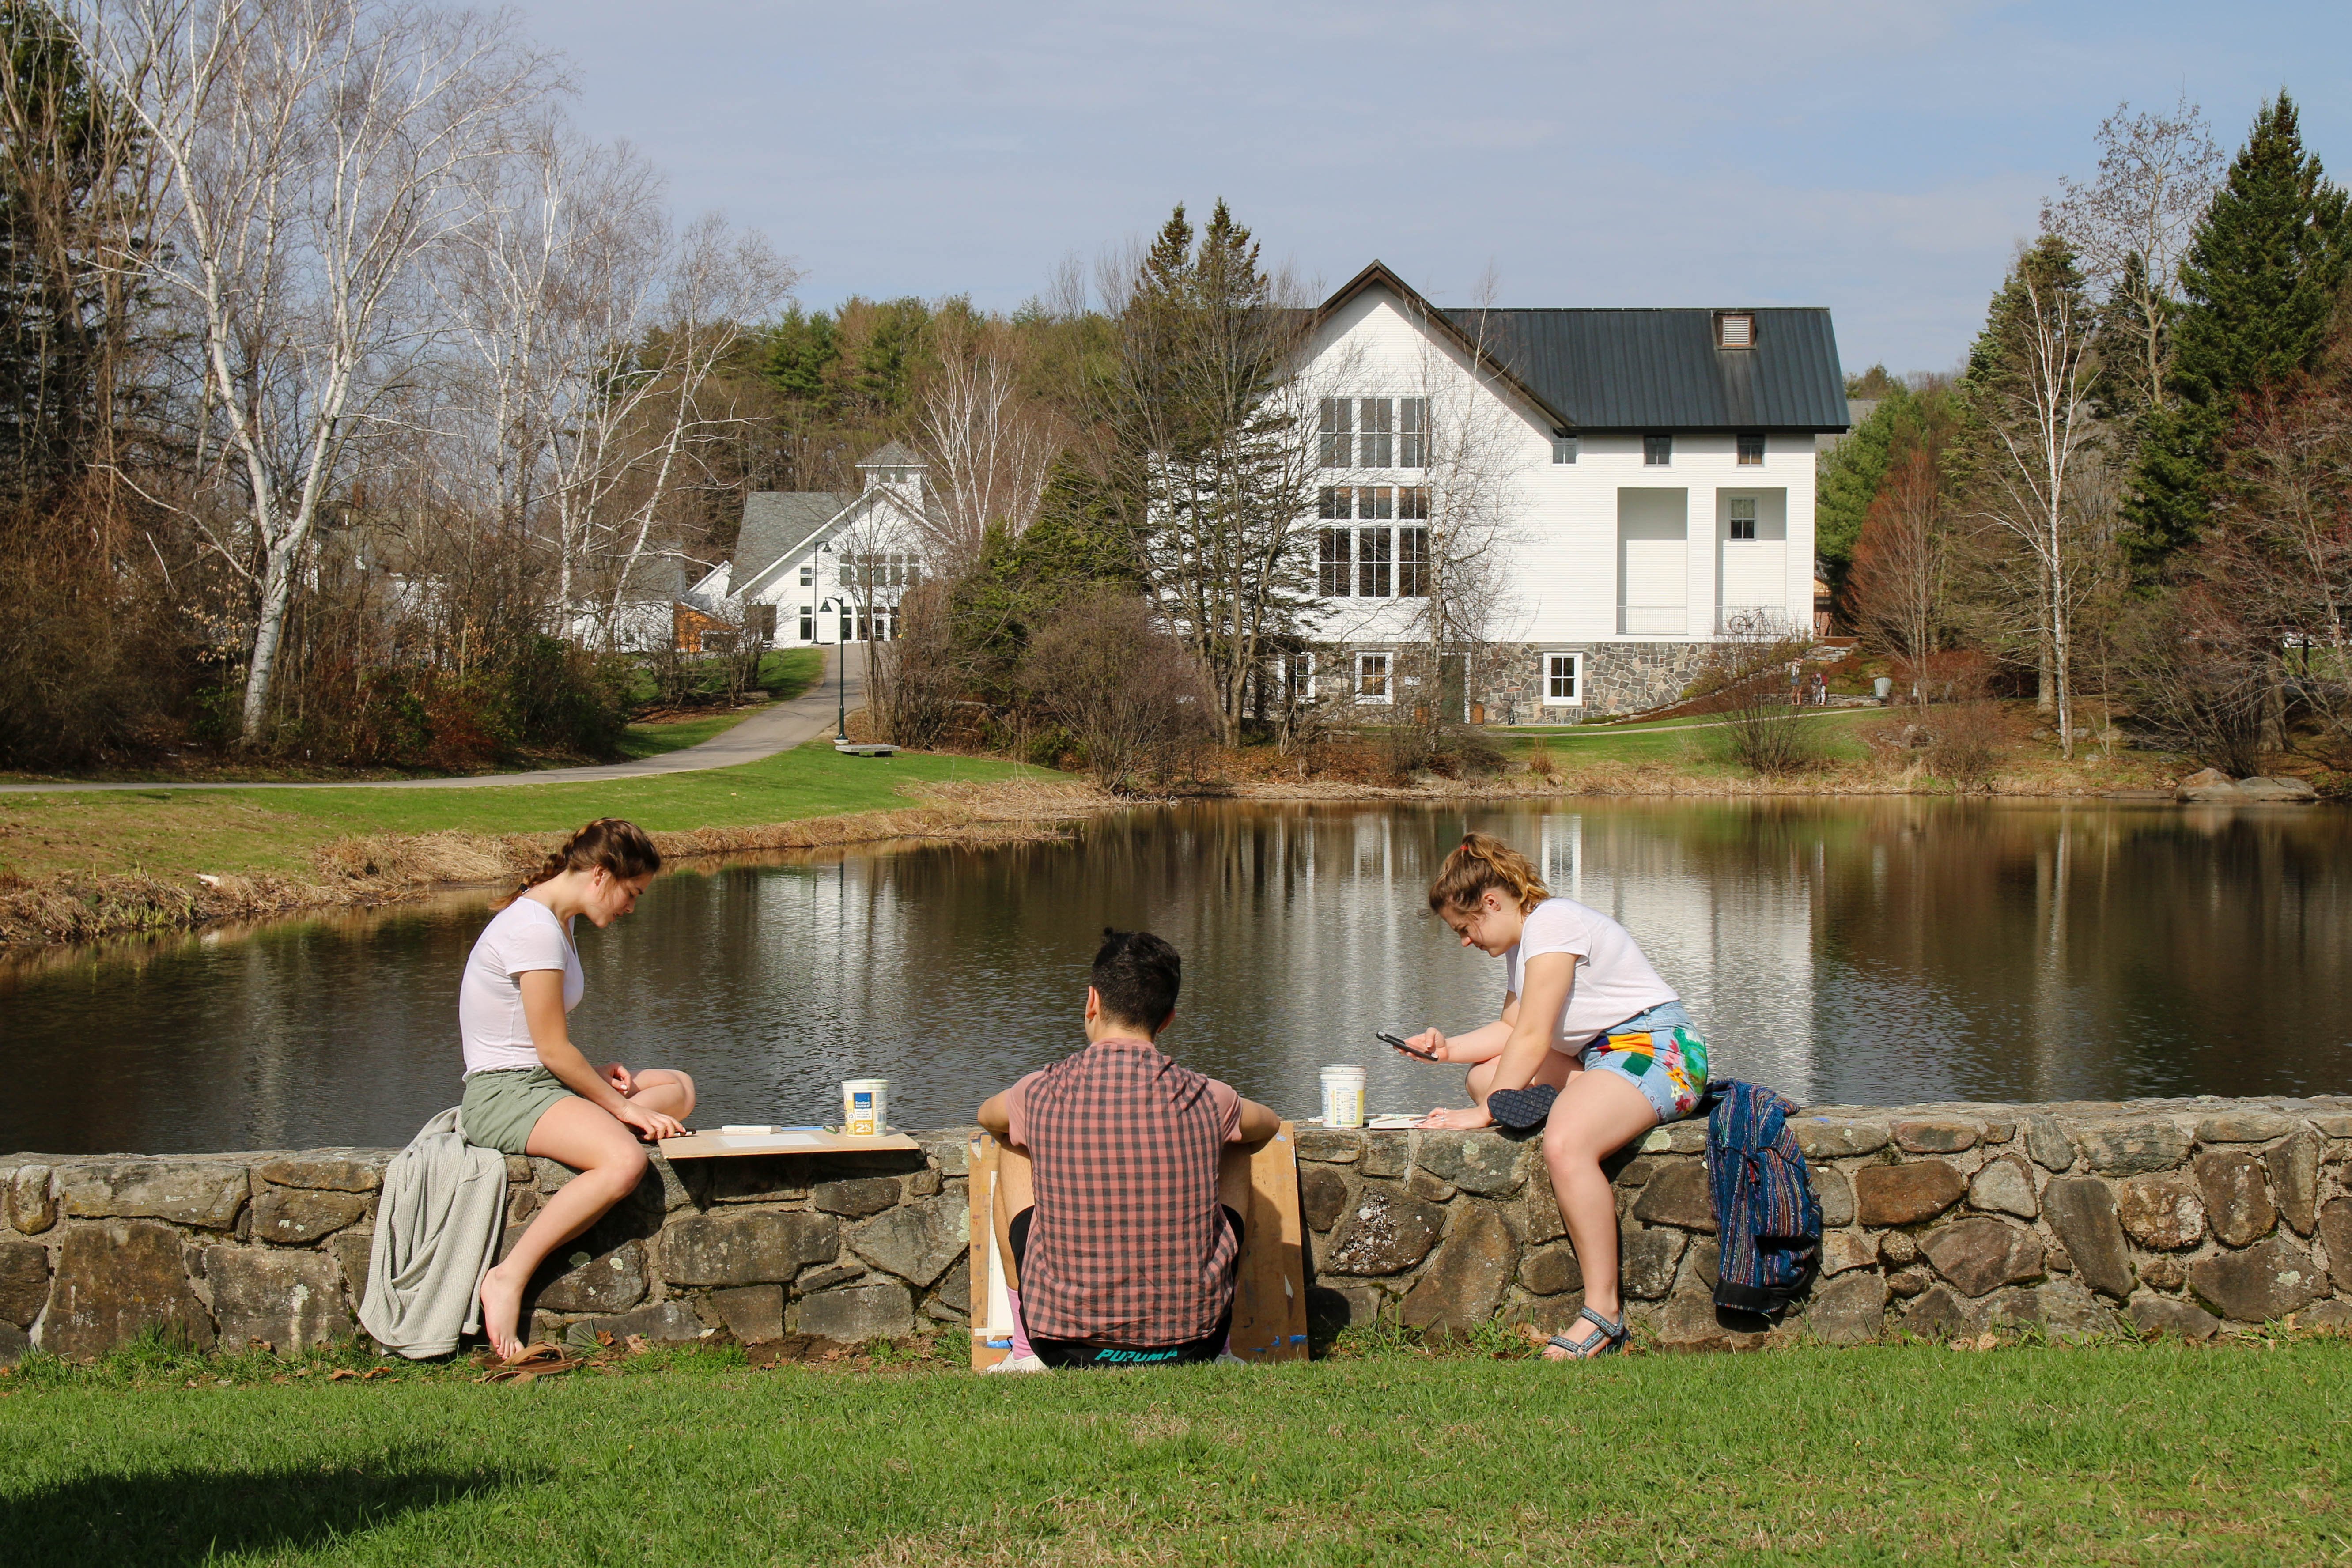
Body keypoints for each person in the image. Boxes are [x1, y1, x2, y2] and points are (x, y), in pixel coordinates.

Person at [1399, 833, 1709, 1361]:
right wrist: (1444, 1049)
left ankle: (1603, 1315)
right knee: (1485, 1074)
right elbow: (1510, 1029)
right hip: (1600, 1058)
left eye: (1465, 927)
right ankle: (1569, 1102)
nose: (1465, 941)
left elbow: (1535, 1033)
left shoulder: (1553, 923)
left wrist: (1483, 1114)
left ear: (1491, 902)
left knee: (1564, 1144)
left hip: (1658, 1053)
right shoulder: (1525, 944)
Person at [976, 929, 1281, 1371]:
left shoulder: (1039, 1091)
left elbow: (988, 1115)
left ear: (1092, 1002)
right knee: (1235, 1141)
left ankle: (1024, 1352)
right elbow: (1268, 1124)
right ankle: (1226, 1347)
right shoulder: (1208, 1097)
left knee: (1011, 1137)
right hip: (1193, 1345)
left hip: (1062, 1346)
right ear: (1168, 1018)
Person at [459, 818, 698, 1359]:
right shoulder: (533, 928)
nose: (632, 907)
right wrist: (615, 1105)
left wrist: (606, 1082)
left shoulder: (556, 922)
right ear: (601, 874)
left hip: (539, 1084)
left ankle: (610, 1113)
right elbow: (548, 1049)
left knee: (679, 1089)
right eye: (632, 893)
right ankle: (507, 1277)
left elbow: (545, 1046)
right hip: (504, 1094)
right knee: (623, 1160)